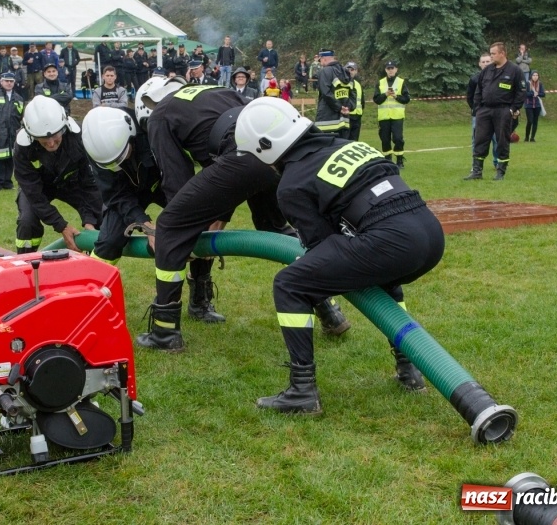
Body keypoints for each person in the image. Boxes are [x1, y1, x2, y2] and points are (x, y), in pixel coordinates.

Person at [234, 97, 445, 414]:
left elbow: (322, 244)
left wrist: (310, 267)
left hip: (393, 242)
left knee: (290, 283)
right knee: (377, 269)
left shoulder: (292, 184)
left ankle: (302, 391)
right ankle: (409, 368)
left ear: (265, 147)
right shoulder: (348, 144)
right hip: (430, 232)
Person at [133, 78, 349, 351]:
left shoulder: (160, 115)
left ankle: (164, 332)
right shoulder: (213, 90)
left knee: (170, 225)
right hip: (278, 151)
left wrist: (184, 227)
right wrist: (217, 213)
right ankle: (328, 307)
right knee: (276, 230)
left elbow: (178, 180)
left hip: (242, 154)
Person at [13, 96, 103, 253]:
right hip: (40, 187)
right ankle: (24, 262)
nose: (51, 143)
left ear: (64, 126)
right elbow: (33, 193)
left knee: (100, 214)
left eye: (55, 136)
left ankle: (98, 263)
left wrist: (90, 219)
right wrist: (61, 225)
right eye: (43, 139)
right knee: (27, 221)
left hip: (72, 182)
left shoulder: (79, 137)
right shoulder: (23, 147)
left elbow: (89, 183)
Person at [81, 106, 164, 264]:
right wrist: (147, 227)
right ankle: (94, 284)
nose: (121, 162)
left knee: (193, 220)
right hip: (126, 193)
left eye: (123, 155)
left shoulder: (147, 125)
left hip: (162, 181)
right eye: (113, 163)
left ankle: (200, 278)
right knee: (109, 242)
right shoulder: (97, 149)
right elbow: (115, 195)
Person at [465, 42, 525, 181]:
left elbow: (521, 92)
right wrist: (478, 108)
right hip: (485, 110)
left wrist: (513, 109)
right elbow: (479, 90)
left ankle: (500, 172)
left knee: (502, 141)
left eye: (493, 53)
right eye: (490, 53)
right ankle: (477, 171)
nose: (491, 56)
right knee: (480, 140)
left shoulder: (514, 70)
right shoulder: (487, 70)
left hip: (503, 110)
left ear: (502, 53)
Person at [373, 60, 410, 167]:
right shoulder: (380, 83)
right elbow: (377, 100)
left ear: (396, 69)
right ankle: (388, 160)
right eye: (388, 68)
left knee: (398, 138)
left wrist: (396, 96)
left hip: (397, 116)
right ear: (385, 70)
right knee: (385, 139)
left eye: (392, 68)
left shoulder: (401, 82)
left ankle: (399, 160)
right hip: (384, 117)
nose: (390, 70)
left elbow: (406, 99)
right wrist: (385, 94)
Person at [467, 52, 498, 171]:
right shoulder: (474, 79)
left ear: (492, 62)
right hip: (478, 115)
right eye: (483, 62)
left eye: (487, 61)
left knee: (496, 139)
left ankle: (497, 162)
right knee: (477, 140)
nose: (485, 64)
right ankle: (475, 165)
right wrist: (477, 109)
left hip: (495, 114)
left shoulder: (497, 77)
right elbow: (469, 97)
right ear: (479, 64)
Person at [314, 49, 354, 139]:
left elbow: (326, 93)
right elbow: (352, 93)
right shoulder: (346, 73)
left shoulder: (324, 71)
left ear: (323, 59)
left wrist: (339, 107)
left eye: (320, 60)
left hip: (326, 120)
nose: (320, 63)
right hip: (344, 120)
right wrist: (349, 107)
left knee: (326, 150)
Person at [523, 71, 546, 142]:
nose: (535, 77)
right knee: (530, 121)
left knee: (535, 121)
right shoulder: (527, 83)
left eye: (536, 75)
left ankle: (532, 137)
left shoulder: (540, 84)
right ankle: (526, 137)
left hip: (537, 105)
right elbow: (525, 93)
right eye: (534, 75)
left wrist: (538, 94)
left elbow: (543, 94)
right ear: (531, 76)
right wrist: (532, 93)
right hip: (528, 105)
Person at [345, 62, 364, 141]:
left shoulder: (358, 84)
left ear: (356, 71)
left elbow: (362, 100)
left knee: (355, 141)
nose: (350, 71)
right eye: (348, 69)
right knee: (345, 141)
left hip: (357, 116)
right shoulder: (343, 82)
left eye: (352, 69)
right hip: (346, 116)